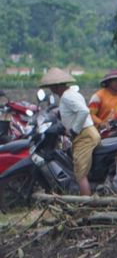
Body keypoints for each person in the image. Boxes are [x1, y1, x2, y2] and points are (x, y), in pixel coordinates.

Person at [39, 68, 96, 196]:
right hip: (88, 133)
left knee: (80, 173)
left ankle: (86, 205)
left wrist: (74, 130)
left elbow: (84, 111)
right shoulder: (71, 94)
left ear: (56, 86)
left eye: (51, 87)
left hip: (84, 135)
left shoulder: (66, 97)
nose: (51, 90)